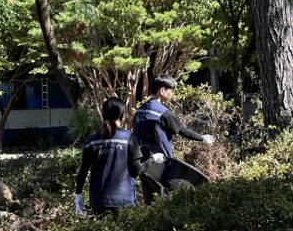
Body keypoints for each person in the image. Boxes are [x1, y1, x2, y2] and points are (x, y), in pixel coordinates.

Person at [132, 74, 216, 204]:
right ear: (162, 90)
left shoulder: (139, 111)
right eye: (171, 89)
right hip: (162, 164)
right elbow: (182, 131)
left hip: (143, 163)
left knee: (150, 201)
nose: (172, 93)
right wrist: (202, 138)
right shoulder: (163, 112)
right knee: (167, 201)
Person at [74, 97, 164, 216]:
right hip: (123, 200)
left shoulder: (91, 141)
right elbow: (137, 169)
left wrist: (78, 195)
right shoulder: (129, 138)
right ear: (123, 116)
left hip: (98, 200)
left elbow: (83, 171)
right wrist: (154, 158)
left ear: (103, 116)